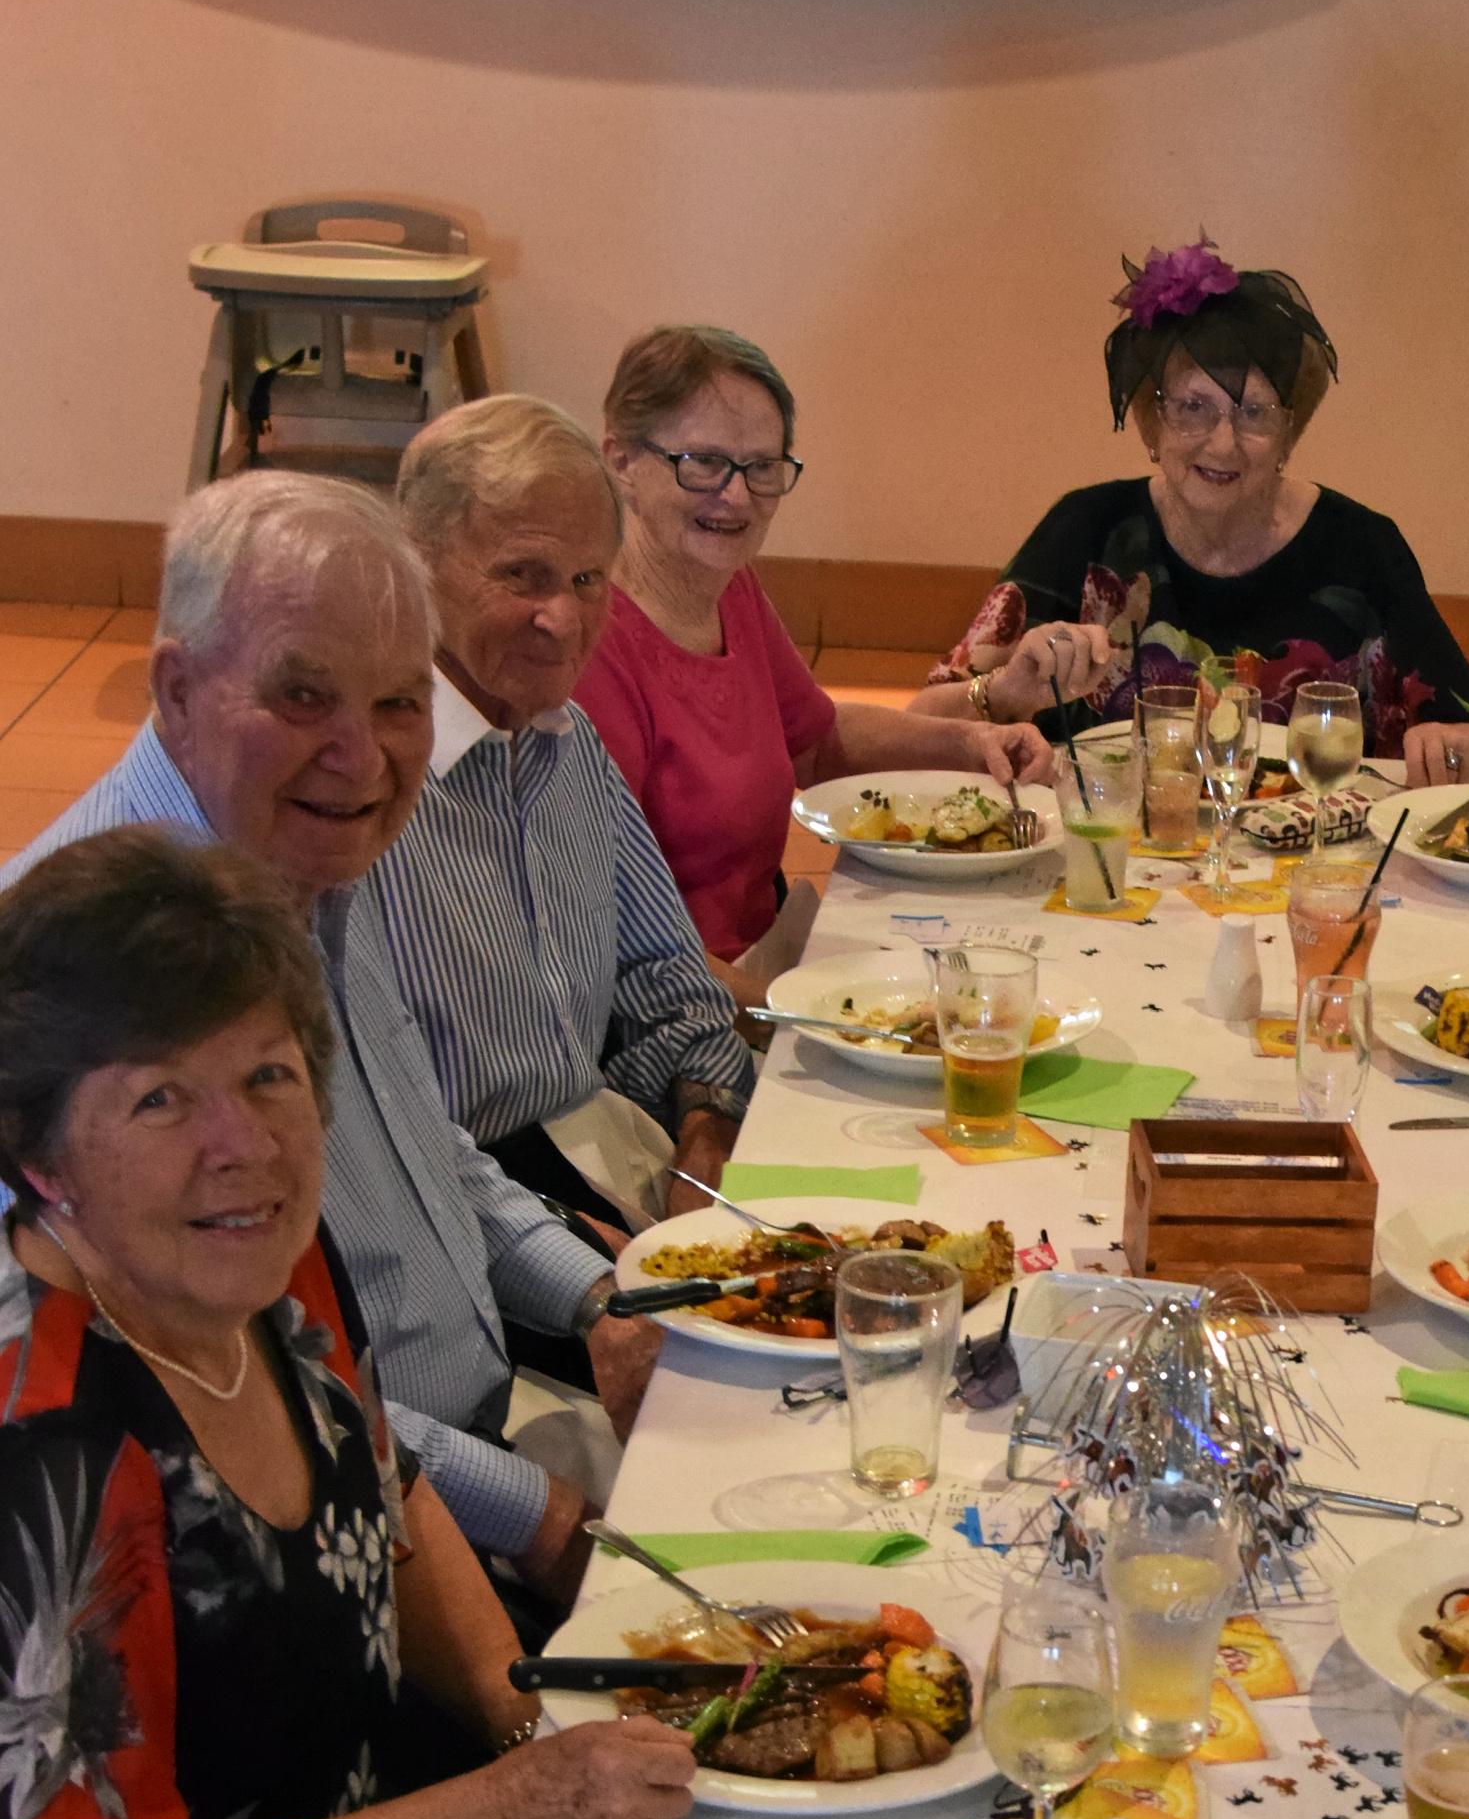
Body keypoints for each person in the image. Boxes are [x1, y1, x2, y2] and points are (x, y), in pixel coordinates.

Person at [0, 831, 692, 1819]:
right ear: (37, 1159)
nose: (242, 1142)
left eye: (267, 1074)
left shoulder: (255, 1260)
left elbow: (389, 1498)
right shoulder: (46, 1447)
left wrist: (519, 1718)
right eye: (157, 1099)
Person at [1, 474, 652, 1606]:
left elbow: (429, 1149)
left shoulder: (301, 855)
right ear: (176, 689)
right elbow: (228, 1385)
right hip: (310, 1559)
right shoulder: (87, 975)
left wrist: (602, 1301)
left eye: (400, 703)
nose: (363, 757)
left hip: (476, 1449)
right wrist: (535, 1513)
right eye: (304, 697)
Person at [916, 239, 1469, 784]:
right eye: (1193, 406)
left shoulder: (1361, 546)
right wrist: (1005, 690)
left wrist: (1453, 745)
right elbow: (922, 722)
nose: (1223, 442)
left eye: (1255, 412)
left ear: (1292, 431)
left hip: (1299, 869)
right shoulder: (1087, 529)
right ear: (1153, 421)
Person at [581, 325, 1048, 1001]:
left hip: (767, 959)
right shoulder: (594, 648)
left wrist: (976, 743)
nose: (736, 496)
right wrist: (797, 1014)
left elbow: (817, 741)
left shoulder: (730, 589)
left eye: (762, 467)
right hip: (676, 1010)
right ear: (622, 460)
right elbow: (606, 929)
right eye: (704, 463)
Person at [383, 397, 755, 1230]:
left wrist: (706, 1121)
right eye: (524, 577)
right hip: (471, 1216)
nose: (564, 619)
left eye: (589, 581)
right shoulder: (369, 796)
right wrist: (574, 1271)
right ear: (415, 562)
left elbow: (670, 979)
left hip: (610, 1157)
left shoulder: (564, 739)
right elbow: (391, 1148)